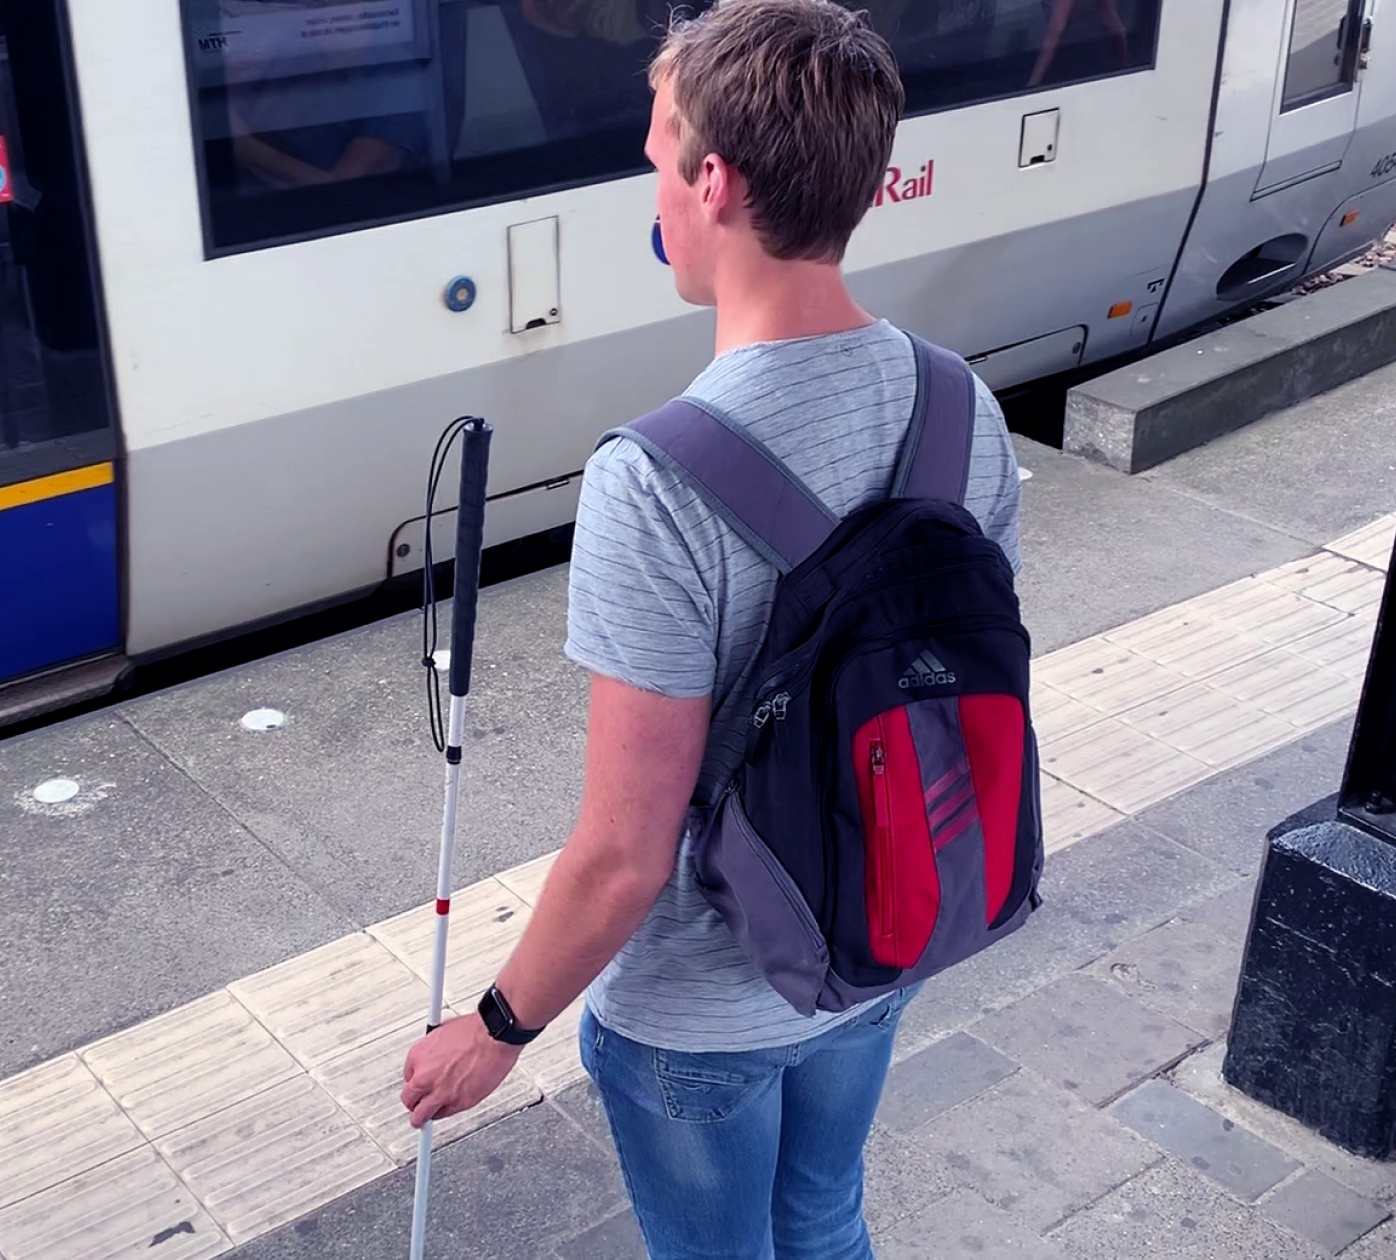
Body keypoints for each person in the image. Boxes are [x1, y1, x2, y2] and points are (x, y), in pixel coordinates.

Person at [399, 0, 1022, 1255]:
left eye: (653, 154)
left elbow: (623, 856)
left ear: (713, 181)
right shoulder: (962, 410)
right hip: (877, 935)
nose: (651, 183)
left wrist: (495, 1028)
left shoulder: (655, 479)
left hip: (696, 1022)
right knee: (824, 1217)